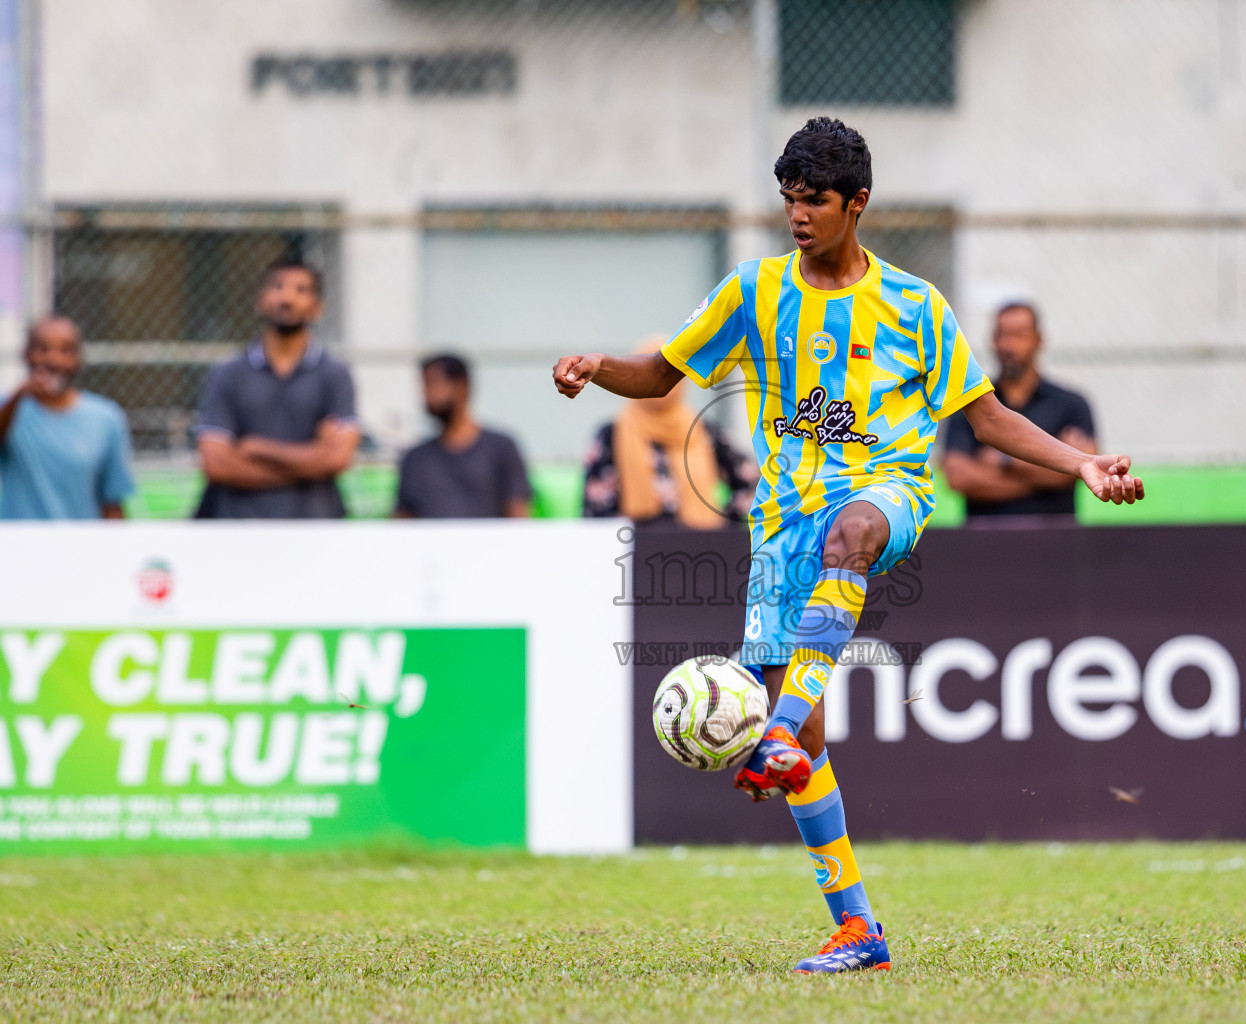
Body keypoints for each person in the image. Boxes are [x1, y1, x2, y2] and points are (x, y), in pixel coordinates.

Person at [551, 117, 1143, 974]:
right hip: (781, 527)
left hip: (883, 497)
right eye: (788, 200)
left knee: (850, 539)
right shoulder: (753, 292)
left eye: (814, 201)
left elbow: (988, 419)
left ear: (856, 203)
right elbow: (662, 375)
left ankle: (783, 725)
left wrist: (1082, 463)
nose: (797, 215)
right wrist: (595, 364)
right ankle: (858, 928)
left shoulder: (913, 305)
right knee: (807, 741)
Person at [194, 258, 360, 519]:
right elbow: (215, 463)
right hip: (239, 526)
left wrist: (258, 449)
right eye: (277, 287)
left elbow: (338, 459)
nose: (287, 298)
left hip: (315, 526)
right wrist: (311, 461)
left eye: (301, 290)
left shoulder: (335, 375)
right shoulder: (228, 374)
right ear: (260, 300)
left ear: (318, 307)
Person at [942, 301, 1097, 518]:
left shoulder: (1071, 403)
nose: (1008, 345)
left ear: (1039, 339)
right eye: (1002, 335)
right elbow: (958, 476)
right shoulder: (971, 404)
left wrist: (1003, 460)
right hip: (984, 538)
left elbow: (1082, 469)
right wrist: (1054, 468)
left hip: (1057, 536)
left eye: (1019, 335)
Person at [582, 337, 757, 528]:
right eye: (650, 375)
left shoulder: (703, 431)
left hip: (700, 548)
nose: (662, 384)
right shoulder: (612, 434)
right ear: (632, 378)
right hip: (633, 547)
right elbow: (594, 507)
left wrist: (723, 529)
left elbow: (749, 483)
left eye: (671, 375)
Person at [0, 315, 135, 519]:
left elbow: (112, 502)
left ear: (78, 359)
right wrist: (19, 395)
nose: (53, 360)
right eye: (42, 349)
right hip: (18, 546)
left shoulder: (106, 419)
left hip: (81, 546)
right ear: (25, 355)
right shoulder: (9, 409)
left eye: (65, 351)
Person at [394, 353, 534, 519]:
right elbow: (402, 520)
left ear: (462, 386)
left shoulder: (501, 447)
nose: (426, 394)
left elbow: (518, 513)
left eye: (433, 383)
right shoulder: (415, 458)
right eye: (424, 384)